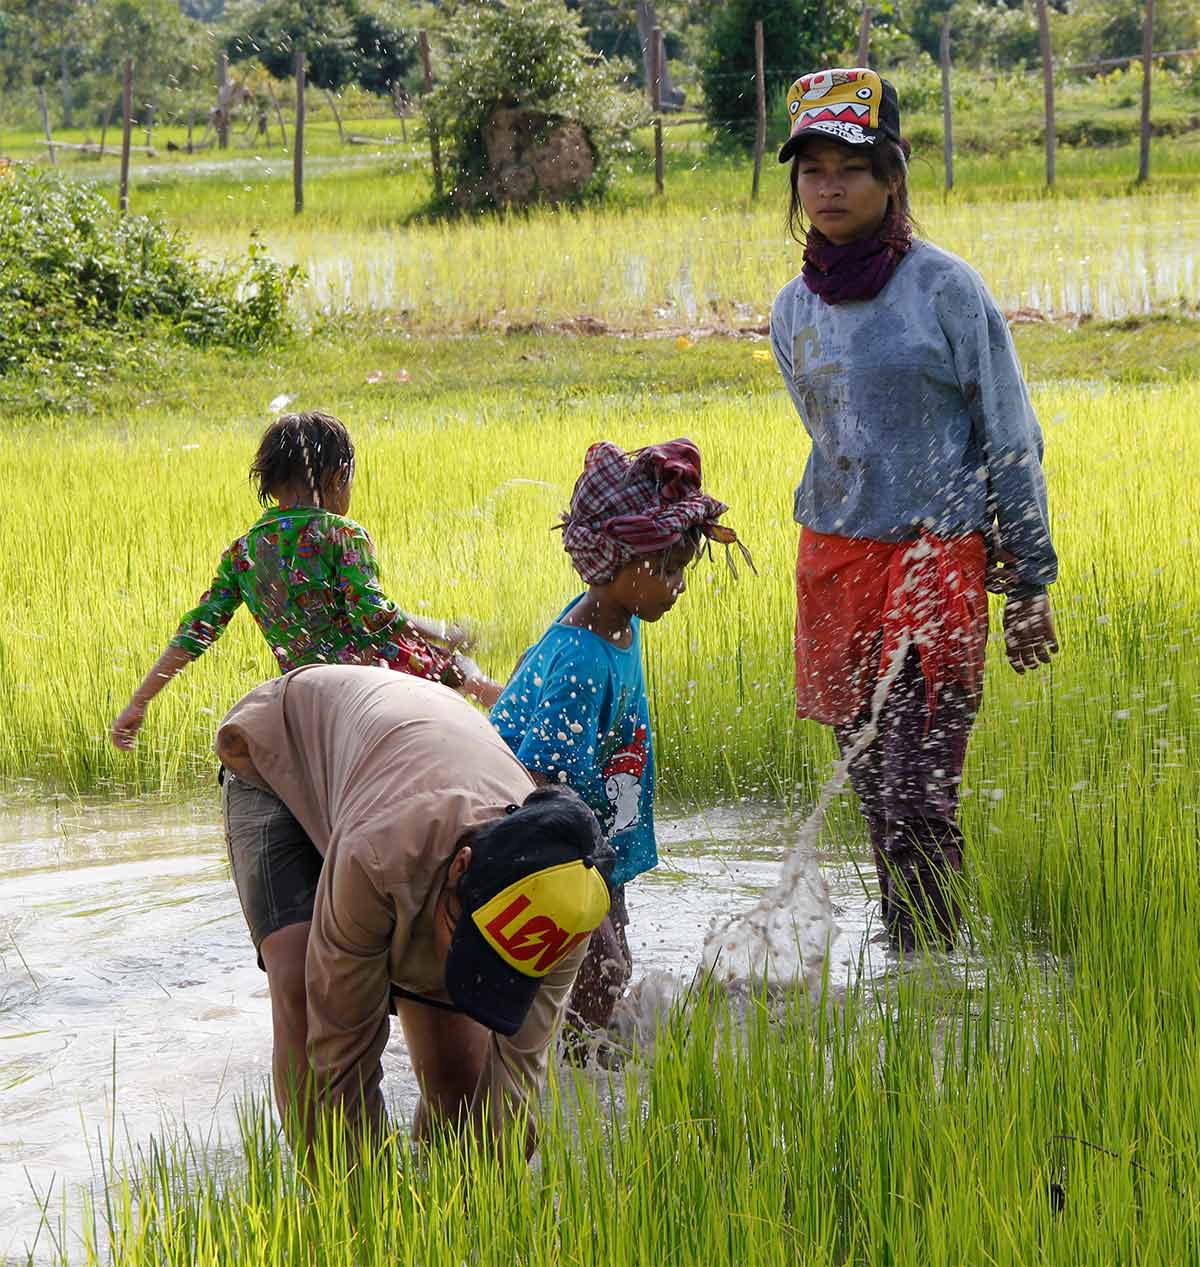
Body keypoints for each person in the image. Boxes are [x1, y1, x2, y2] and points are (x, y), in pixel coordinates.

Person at [769, 68, 1059, 952]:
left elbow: (1009, 433)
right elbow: (837, 444)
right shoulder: (791, 311)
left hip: (934, 567)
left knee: (918, 799)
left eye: (849, 167)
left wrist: (1030, 580)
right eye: (811, 169)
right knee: (873, 797)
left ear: (892, 176)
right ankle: (914, 968)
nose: (829, 187)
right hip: (837, 567)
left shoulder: (946, 291)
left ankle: (936, 984)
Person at [216, 663, 613, 1157]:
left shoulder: (566, 908)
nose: (461, 972)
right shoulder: (381, 857)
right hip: (281, 752)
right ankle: (329, 1206)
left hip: (401, 761)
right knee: (301, 982)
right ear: (459, 869)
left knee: (458, 1089)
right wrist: (364, 1204)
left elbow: (516, 1082)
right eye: (470, 949)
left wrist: (490, 1188)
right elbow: (342, 1054)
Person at [490, 438, 752, 1050]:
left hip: (592, 842)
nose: (677, 585)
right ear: (613, 565)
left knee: (608, 971)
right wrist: (582, 883)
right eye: (666, 570)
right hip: (555, 845)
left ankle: (575, 1052)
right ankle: (576, 1078)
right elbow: (540, 780)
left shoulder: (619, 620)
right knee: (599, 979)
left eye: (681, 569)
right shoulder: (582, 658)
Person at [111, 410, 498, 751]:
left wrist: (139, 702)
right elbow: (375, 614)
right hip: (370, 669)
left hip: (302, 686)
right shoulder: (340, 533)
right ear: (336, 476)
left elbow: (197, 630)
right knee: (464, 670)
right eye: (348, 482)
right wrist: (443, 632)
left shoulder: (243, 551)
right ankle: (515, 723)